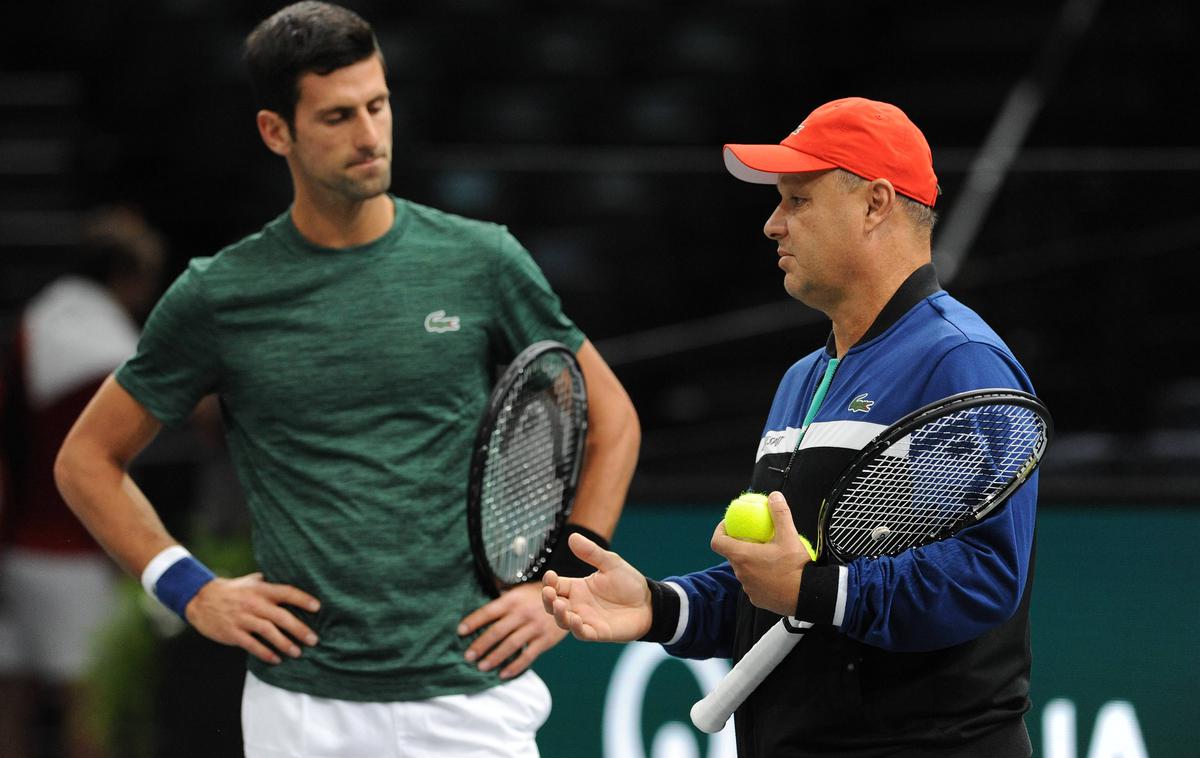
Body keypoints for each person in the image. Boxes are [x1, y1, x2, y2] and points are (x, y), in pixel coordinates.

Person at [52, 3, 640, 757]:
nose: (368, 136)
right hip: (300, 712)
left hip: (473, 699)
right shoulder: (219, 294)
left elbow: (613, 421)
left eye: (377, 105)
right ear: (277, 132)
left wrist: (555, 587)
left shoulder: (482, 260)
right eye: (336, 117)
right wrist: (189, 590)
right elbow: (85, 460)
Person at [542, 97, 1039, 757]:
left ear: (875, 204)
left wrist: (810, 588)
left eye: (797, 201)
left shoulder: (960, 361)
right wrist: (659, 607)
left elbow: (980, 578)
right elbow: (781, 582)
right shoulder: (803, 377)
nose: (773, 225)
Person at [0, 205, 165, 758]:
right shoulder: (110, 351)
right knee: (89, 706)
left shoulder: (37, 321)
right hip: (66, 550)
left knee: (14, 699)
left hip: (17, 539)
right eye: (145, 280)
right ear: (124, 277)